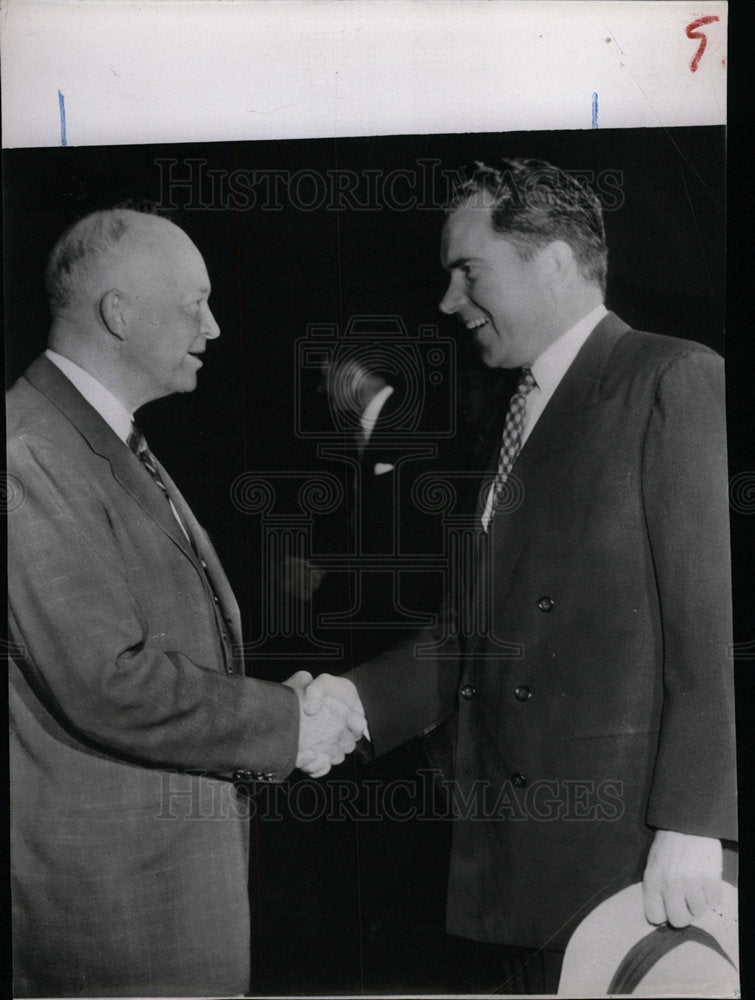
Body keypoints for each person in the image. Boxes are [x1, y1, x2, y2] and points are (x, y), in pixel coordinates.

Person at [300, 159, 737, 994]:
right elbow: (478, 633)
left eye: (468, 272)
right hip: (513, 857)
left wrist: (694, 821)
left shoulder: (672, 379)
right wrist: (355, 705)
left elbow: (707, 623)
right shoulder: (510, 413)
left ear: (553, 260)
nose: (447, 302)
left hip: (630, 864)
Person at [7, 208, 365, 997]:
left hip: (166, 898)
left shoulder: (97, 439)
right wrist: (285, 722)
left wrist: (275, 706)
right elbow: (105, 680)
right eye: (194, 302)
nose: (214, 326)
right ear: (118, 313)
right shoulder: (27, 454)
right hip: (111, 925)